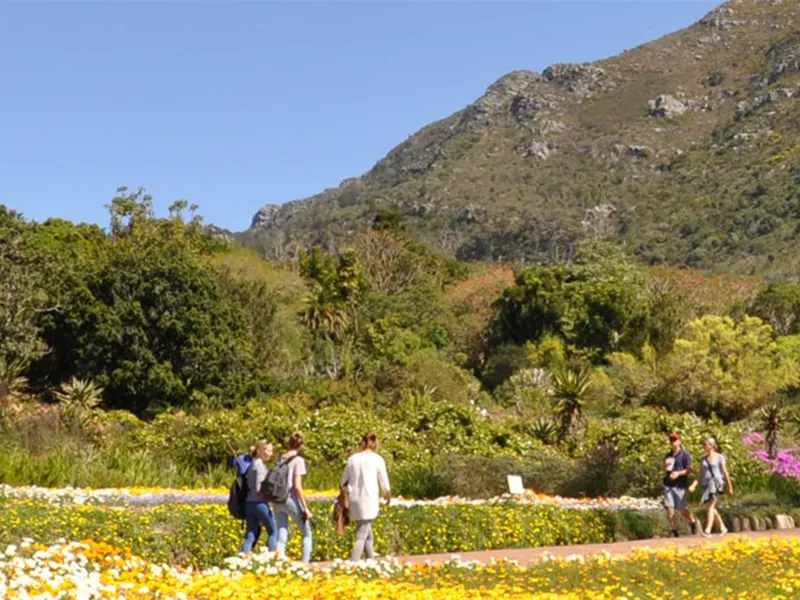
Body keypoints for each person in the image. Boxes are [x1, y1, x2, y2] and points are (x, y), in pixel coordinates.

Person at [341, 433, 391, 562]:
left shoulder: (353, 459)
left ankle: (371, 560)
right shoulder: (377, 459)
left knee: (367, 532)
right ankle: (353, 562)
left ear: (363, 442)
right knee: (361, 535)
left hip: (354, 498)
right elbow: (383, 480)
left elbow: (343, 480)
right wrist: (387, 493)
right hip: (369, 499)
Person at [273, 431, 314, 563]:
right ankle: (305, 564)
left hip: (277, 500)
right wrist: (305, 508)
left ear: (288, 443)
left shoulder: (279, 459)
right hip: (290, 499)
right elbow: (297, 486)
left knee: (281, 533)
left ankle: (279, 563)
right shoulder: (298, 460)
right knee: (307, 533)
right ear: (300, 446)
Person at [240, 440, 277, 554]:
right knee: (273, 531)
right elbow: (258, 488)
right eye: (269, 451)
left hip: (249, 503)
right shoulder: (259, 466)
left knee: (250, 534)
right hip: (259, 503)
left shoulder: (252, 464)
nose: (271, 454)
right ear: (262, 451)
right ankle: (273, 559)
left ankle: (243, 558)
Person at [663, 432, 699, 537]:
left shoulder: (685, 455)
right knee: (670, 508)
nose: (673, 442)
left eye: (675, 440)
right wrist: (665, 465)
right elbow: (664, 471)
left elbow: (689, 470)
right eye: (671, 440)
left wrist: (678, 473)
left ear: (679, 441)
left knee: (682, 509)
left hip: (680, 485)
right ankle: (673, 530)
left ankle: (692, 521)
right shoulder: (668, 455)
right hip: (668, 484)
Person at [697, 436, 733, 537]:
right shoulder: (702, 459)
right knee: (710, 507)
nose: (704, 446)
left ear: (712, 446)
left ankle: (707, 530)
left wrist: (730, 487)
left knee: (711, 505)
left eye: (706, 444)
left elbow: (725, 472)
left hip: (716, 484)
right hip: (705, 484)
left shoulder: (720, 457)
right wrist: (695, 483)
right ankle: (722, 527)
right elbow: (700, 473)